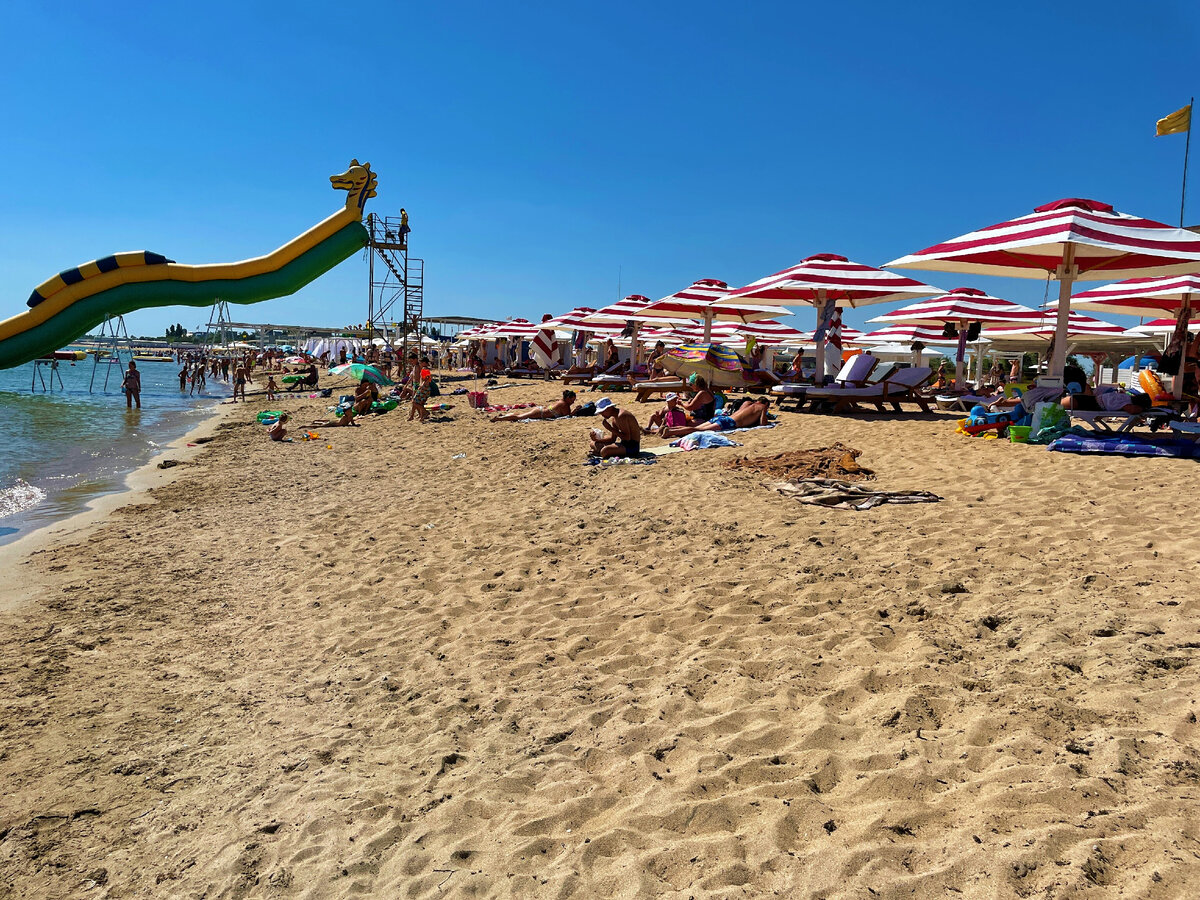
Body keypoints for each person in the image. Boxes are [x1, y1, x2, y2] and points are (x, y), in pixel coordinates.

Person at [661, 397, 771, 437]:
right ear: (765, 404)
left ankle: (670, 429)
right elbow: (763, 424)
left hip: (721, 417)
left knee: (698, 428)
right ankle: (670, 432)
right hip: (729, 422)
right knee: (697, 430)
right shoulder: (762, 407)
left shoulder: (748, 403)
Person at [491, 390, 578, 422]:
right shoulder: (564, 405)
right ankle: (499, 419)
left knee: (520, 415)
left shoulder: (561, 401)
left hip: (540, 410)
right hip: (539, 413)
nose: (572, 402)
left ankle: (505, 416)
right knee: (518, 417)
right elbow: (568, 416)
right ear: (567, 398)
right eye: (572, 400)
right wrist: (576, 410)